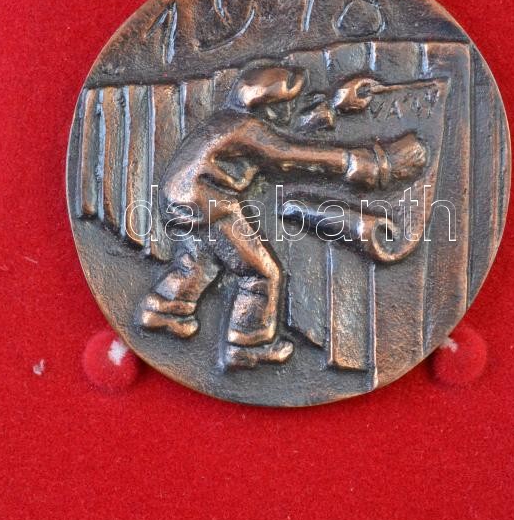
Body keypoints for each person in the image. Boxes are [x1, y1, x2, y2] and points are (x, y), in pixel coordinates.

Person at [138, 63, 427, 369]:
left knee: (199, 261)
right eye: (288, 103)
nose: (292, 109)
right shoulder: (247, 129)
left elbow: (281, 141)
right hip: (209, 203)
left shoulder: (229, 122)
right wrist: (362, 161)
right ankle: (247, 344)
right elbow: (286, 155)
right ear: (271, 106)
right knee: (261, 274)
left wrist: (333, 108)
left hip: (181, 201)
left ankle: (164, 309)